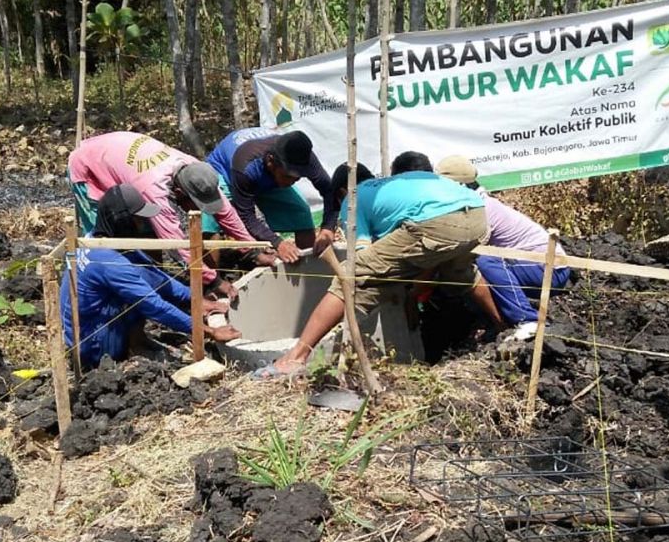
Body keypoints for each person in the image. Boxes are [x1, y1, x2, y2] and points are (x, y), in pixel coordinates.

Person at [266, 166, 489, 377]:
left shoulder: (351, 200)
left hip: (438, 221)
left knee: (350, 276)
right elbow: (403, 258)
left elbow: (363, 259)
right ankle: (504, 328)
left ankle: (295, 357)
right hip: (477, 214)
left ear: (342, 191)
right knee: (459, 274)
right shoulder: (389, 189)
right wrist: (409, 296)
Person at [67, 131, 273, 298]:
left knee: (148, 233)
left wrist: (252, 250)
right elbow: (176, 245)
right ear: (180, 193)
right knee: (107, 243)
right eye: (197, 204)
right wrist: (215, 281)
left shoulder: (194, 169)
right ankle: (113, 294)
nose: (201, 210)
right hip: (89, 166)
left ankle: (153, 283)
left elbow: (226, 213)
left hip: (119, 155)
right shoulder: (154, 188)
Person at [60, 184, 241, 370]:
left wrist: (195, 300)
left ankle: (137, 343)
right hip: (91, 344)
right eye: (138, 219)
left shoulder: (98, 238)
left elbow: (155, 277)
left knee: (139, 278)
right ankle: (130, 351)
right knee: (136, 295)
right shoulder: (109, 263)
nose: (143, 225)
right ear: (123, 221)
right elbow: (154, 305)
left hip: (92, 326)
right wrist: (210, 332)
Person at [435, 155, 571, 341]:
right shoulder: (475, 203)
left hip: (549, 271)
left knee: (481, 260)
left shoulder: (480, 209)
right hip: (533, 267)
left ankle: (528, 320)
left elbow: (467, 249)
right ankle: (496, 321)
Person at [204, 129, 337, 263]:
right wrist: (277, 243)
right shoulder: (245, 166)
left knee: (300, 213)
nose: (292, 182)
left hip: (266, 176)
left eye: (298, 178)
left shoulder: (302, 156)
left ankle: (311, 268)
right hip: (224, 170)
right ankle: (212, 280)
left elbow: (329, 191)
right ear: (270, 162)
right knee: (211, 217)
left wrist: (328, 227)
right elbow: (246, 215)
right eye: (289, 176)